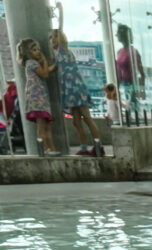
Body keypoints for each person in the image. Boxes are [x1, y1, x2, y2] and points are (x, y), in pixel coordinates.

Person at [51, 27, 104, 156]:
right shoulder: (61, 53)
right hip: (72, 89)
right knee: (77, 121)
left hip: (74, 89)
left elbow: (53, 68)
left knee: (86, 118)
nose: (52, 40)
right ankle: (86, 148)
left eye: (53, 37)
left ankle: (98, 147)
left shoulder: (63, 51)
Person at [16, 37, 58, 156]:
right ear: (28, 53)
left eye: (37, 49)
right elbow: (44, 73)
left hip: (40, 98)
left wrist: (52, 67)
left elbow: (45, 71)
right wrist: (44, 61)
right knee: (42, 127)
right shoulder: (31, 63)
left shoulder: (31, 64)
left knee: (46, 126)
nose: (38, 51)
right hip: (37, 99)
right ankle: (45, 150)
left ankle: (51, 149)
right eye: (34, 49)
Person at [115, 24, 145, 114]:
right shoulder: (119, 52)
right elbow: (119, 71)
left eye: (118, 33)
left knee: (131, 107)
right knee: (128, 107)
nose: (116, 35)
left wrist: (141, 89)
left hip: (132, 84)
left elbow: (141, 72)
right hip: (123, 85)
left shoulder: (133, 52)